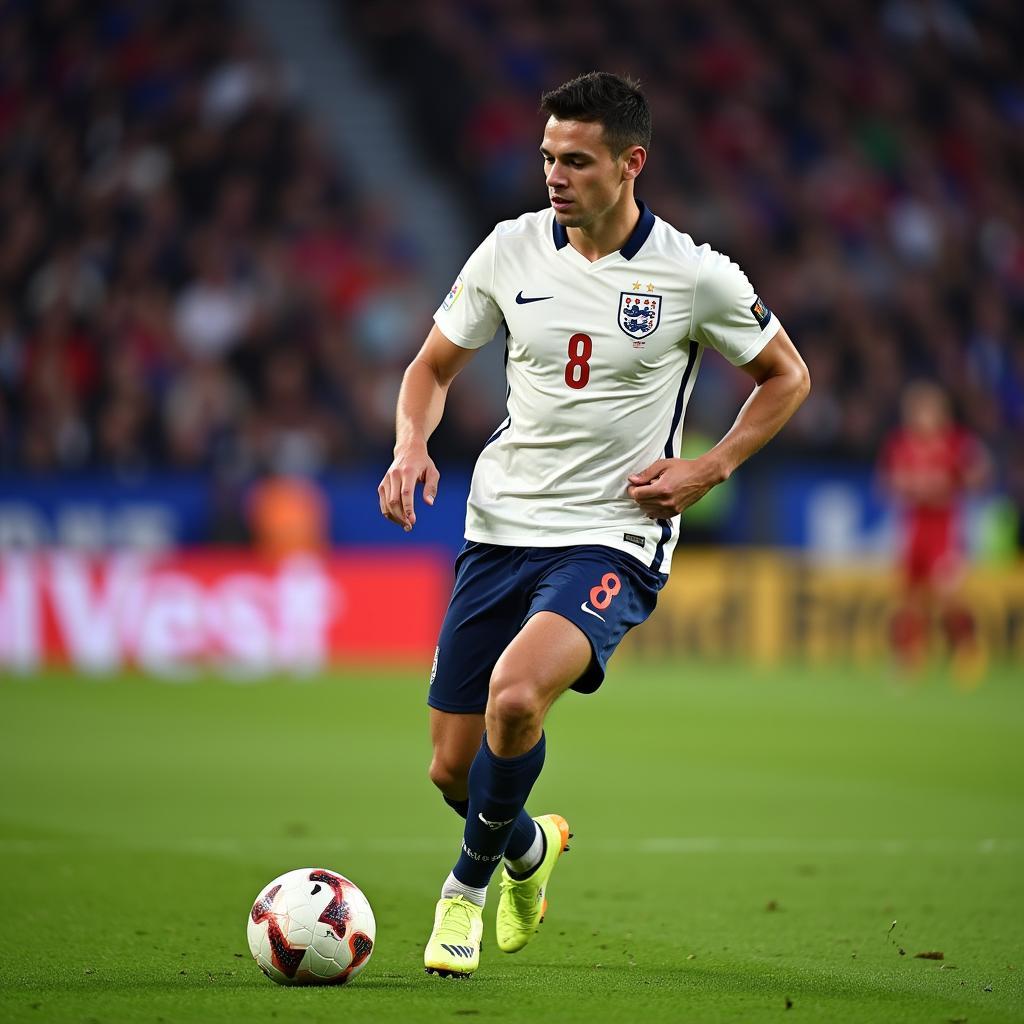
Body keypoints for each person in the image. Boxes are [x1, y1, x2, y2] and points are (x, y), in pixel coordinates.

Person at [377, 72, 810, 978]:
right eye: (547, 157)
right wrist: (411, 444)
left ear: (630, 163)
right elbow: (429, 367)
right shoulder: (508, 251)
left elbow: (787, 376)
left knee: (517, 696)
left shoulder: (693, 275)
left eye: (576, 160)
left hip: (613, 532)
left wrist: (712, 464)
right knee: (451, 770)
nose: (555, 176)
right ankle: (530, 850)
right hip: (498, 526)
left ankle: (463, 891)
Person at [878, 380, 990, 676]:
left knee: (947, 594)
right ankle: (908, 657)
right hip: (913, 529)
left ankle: (968, 647)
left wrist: (956, 482)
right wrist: (909, 486)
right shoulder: (901, 443)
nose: (920, 417)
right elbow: (886, 483)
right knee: (910, 598)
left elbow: (979, 474)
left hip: (944, 531)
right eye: (916, 411)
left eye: (926, 410)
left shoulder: (955, 442)